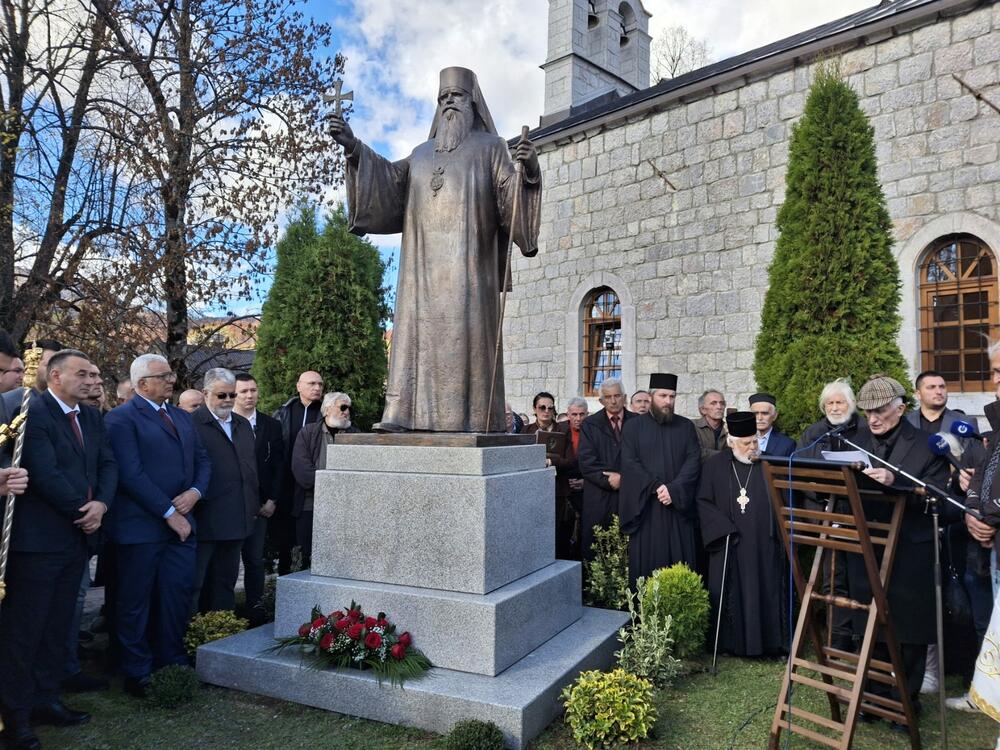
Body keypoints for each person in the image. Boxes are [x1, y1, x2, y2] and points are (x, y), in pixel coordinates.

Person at [330, 66, 541, 433]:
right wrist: (354, 147)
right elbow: (389, 183)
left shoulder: (491, 148)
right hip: (421, 271)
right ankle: (402, 415)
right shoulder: (420, 154)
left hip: (469, 273)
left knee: (465, 344)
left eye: (456, 96)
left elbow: (511, 200)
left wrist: (531, 170)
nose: (448, 103)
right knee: (414, 338)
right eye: (443, 97)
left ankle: (472, 419)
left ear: (472, 103)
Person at [0, 349, 115, 750]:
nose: (91, 381)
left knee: (57, 626)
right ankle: (16, 717)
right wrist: (83, 510)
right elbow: (43, 472)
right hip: (38, 543)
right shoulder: (32, 412)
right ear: (54, 377)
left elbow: (108, 463)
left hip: (76, 539)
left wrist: (102, 505)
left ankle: (46, 698)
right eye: (82, 374)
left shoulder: (92, 417)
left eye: (93, 374)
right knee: (25, 631)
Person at [104, 354, 211, 698]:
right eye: (163, 376)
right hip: (141, 528)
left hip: (182, 526)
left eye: (170, 374)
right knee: (135, 601)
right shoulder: (121, 419)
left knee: (175, 595)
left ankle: (172, 660)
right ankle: (136, 669)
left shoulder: (180, 416)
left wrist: (195, 493)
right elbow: (130, 474)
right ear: (141, 384)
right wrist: (168, 512)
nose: (171, 380)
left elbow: (202, 461)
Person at [851, 374, 952, 716]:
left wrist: (897, 483)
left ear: (901, 408)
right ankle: (873, 697)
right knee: (871, 625)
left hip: (911, 547)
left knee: (908, 630)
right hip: (869, 546)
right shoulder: (855, 442)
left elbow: (940, 497)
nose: (873, 419)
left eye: (879, 411)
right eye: (867, 412)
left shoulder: (927, 444)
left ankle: (905, 702)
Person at [697, 411, 787, 657]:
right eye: (746, 443)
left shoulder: (768, 464)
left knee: (765, 588)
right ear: (731, 442)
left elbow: (783, 500)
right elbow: (703, 501)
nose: (753, 447)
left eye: (755, 441)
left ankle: (769, 644)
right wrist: (724, 529)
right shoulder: (714, 466)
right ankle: (730, 644)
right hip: (730, 541)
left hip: (762, 542)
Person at [618, 373, 701, 588]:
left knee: (682, 568)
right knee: (649, 570)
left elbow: (693, 461)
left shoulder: (686, 426)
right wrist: (656, 487)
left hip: (678, 507)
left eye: (672, 396)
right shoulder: (633, 427)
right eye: (663, 396)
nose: (668, 401)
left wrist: (674, 489)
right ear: (651, 396)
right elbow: (630, 462)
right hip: (647, 509)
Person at [189, 368, 258, 613]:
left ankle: (222, 628)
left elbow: (249, 467)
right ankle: (189, 630)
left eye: (231, 395)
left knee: (226, 581)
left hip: (237, 516)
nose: (228, 400)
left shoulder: (242, 424)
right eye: (221, 395)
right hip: (204, 516)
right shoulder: (191, 424)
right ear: (205, 393)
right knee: (195, 583)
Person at [232, 373, 284, 624]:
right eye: (243, 391)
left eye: (253, 390)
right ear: (234, 394)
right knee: (228, 564)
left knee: (254, 560)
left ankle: (256, 610)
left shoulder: (270, 425)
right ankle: (224, 614)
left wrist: (273, 499)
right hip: (232, 505)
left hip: (262, 506)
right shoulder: (225, 423)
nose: (249, 395)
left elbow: (278, 465)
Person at [291, 392, 360, 568]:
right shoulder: (308, 433)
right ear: (327, 410)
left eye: (349, 408)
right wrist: (333, 485)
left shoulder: (356, 435)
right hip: (311, 504)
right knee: (308, 557)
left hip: (345, 507)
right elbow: (302, 471)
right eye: (342, 407)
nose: (347, 412)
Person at [272, 370, 324, 574]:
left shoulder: (325, 413)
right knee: (285, 536)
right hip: (286, 483)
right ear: (299, 386)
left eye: (320, 384)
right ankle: (284, 576)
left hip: (309, 486)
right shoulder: (284, 412)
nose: (317, 388)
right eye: (312, 383)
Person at [577, 378, 633, 559]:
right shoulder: (590, 424)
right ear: (601, 401)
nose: (613, 401)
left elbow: (647, 459)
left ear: (624, 397)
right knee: (599, 552)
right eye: (608, 397)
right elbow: (587, 462)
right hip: (600, 498)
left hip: (631, 497)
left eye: (617, 395)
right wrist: (609, 479)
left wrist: (625, 478)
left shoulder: (639, 422)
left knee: (630, 552)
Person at [550, 396, 587, 560]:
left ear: (587, 414)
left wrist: (585, 482)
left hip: (586, 488)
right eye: (574, 414)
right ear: (568, 414)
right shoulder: (560, 430)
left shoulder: (594, 430)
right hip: (564, 488)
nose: (578, 418)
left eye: (582, 414)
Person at [693, 389, 727, 460]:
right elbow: (695, 451)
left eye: (722, 403)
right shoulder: (692, 426)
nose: (719, 407)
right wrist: (724, 455)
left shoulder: (729, 428)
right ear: (703, 409)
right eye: (713, 403)